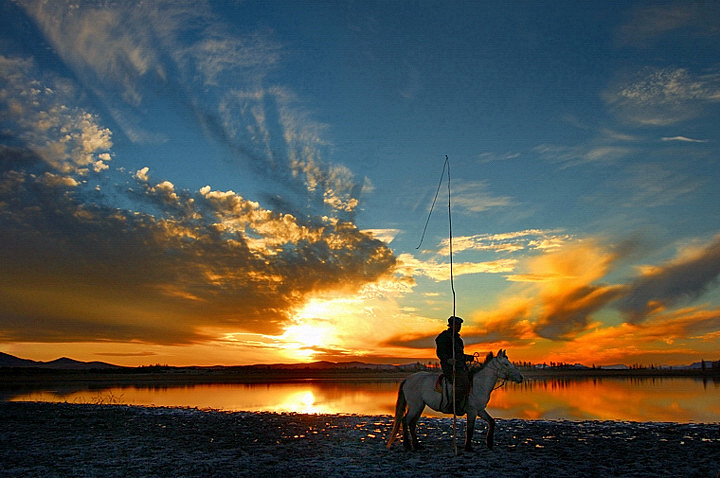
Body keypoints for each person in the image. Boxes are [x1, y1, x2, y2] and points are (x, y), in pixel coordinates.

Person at [435, 316, 474, 413]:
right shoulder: (444, 337)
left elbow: (459, 355)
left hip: (460, 366)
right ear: (451, 325)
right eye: (456, 325)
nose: (459, 327)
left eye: (460, 325)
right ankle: (453, 405)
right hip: (449, 367)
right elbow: (440, 352)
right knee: (462, 382)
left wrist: (467, 357)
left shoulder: (458, 339)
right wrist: (448, 360)